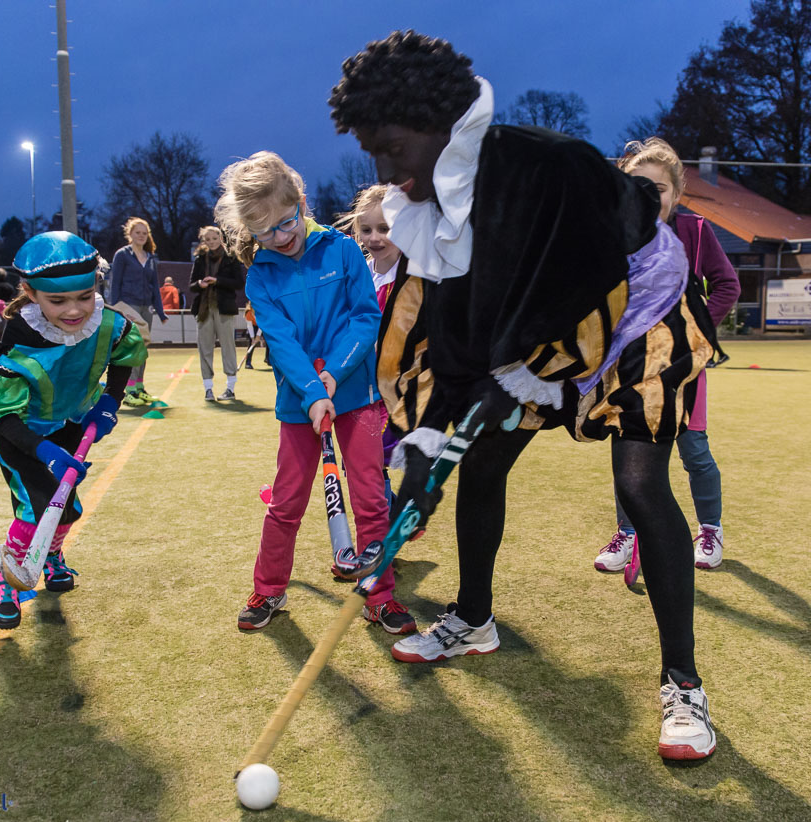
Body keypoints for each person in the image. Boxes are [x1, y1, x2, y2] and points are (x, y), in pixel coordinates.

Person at [329, 30, 723, 759]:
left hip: (635, 306)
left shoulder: (547, 167)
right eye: (370, 155)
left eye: (392, 147)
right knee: (476, 460)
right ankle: (473, 618)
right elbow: (442, 330)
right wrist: (422, 445)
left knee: (640, 484)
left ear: (438, 123)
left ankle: (684, 686)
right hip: (545, 329)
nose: (386, 172)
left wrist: (509, 377)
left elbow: (585, 286)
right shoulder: (429, 204)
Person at [214, 151, 415, 635]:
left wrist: (335, 377)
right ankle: (269, 588)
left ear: (301, 203)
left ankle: (380, 594)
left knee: (370, 497)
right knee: (286, 501)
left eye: (286, 223)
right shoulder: (261, 273)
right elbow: (280, 341)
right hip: (299, 403)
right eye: (264, 234)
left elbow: (365, 318)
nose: (280, 239)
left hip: (357, 397)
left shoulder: (344, 251)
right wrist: (310, 390)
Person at [0, 231, 146, 630]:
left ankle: (50, 555)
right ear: (30, 292)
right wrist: (43, 451)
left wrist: (110, 403)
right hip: (16, 428)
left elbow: (125, 351)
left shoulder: (106, 321)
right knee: (40, 500)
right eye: (58, 300)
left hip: (71, 418)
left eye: (84, 296)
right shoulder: (20, 336)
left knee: (66, 505)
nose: (74, 310)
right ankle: (5, 581)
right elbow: (2, 412)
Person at [595, 139, 741, 580]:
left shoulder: (694, 231)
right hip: (630, 369)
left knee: (694, 451)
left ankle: (710, 531)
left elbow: (727, 285)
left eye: (657, 188)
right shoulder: (615, 235)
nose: (647, 196)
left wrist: (694, 337)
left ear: (675, 194)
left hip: (682, 368)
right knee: (630, 451)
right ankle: (628, 532)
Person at [339, 184, 405, 507]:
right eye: (366, 229)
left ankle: (386, 528)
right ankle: (394, 517)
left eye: (385, 228)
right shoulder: (361, 272)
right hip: (362, 383)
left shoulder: (410, 275)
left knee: (371, 461)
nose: (374, 238)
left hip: (394, 387)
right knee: (362, 463)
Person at [108, 217, 166, 407]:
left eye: (144, 233)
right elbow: (114, 282)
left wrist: (160, 311)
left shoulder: (150, 258)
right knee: (132, 348)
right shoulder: (122, 255)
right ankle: (129, 389)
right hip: (128, 307)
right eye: (137, 232)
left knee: (143, 349)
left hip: (145, 307)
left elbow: (155, 286)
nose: (141, 236)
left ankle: (140, 387)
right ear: (130, 234)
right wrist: (115, 308)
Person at [189, 225, 246, 401]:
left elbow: (239, 283)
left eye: (214, 238)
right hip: (203, 310)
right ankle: (208, 389)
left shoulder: (231, 258)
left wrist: (217, 281)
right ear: (203, 241)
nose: (212, 242)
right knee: (205, 349)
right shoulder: (200, 260)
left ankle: (230, 388)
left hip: (224, 309)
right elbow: (192, 285)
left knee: (228, 348)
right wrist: (201, 284)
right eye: (208, 239)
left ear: (221, 238)